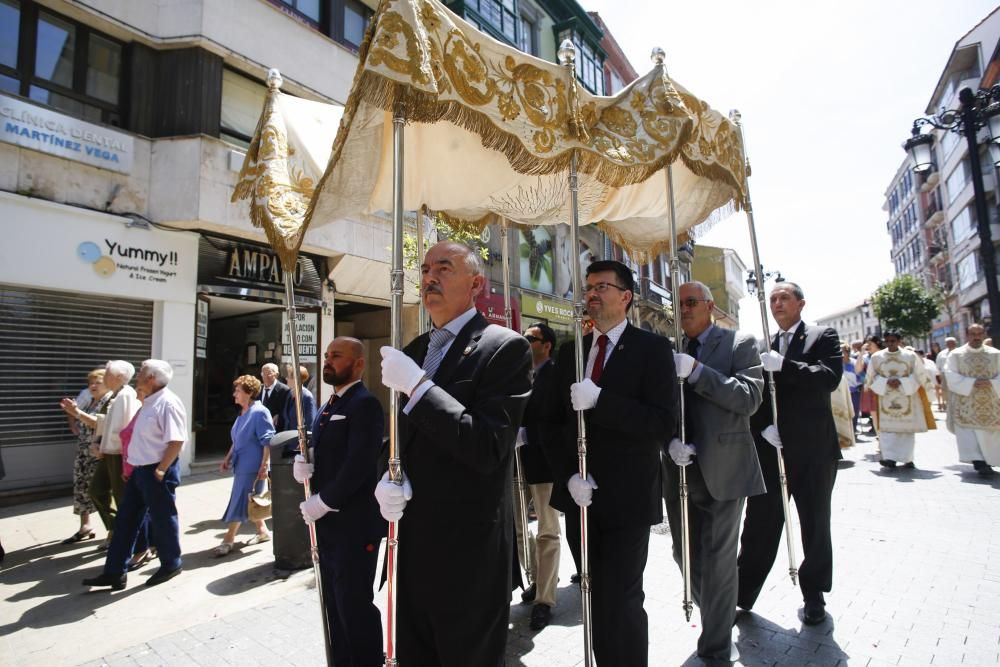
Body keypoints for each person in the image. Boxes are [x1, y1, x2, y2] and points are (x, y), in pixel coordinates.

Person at [374, 241, 531, 666]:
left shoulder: (505, 348)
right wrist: (384, 478)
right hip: (411, 547)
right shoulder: (413, 351)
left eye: (444, 267)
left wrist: (421, 389)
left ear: (476, 283)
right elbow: (393, 438)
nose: (430, 277)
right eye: (425, 269)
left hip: (467, 555)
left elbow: (488, 446)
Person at [544, 259, 676, 666]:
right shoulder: (571, 353)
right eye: (588, 287)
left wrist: (602, 401)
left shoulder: (652, 350)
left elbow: (660, 421)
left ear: (626, 296)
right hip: (579, 498)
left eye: (602, 286)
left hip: (627, 497)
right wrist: (567, 476)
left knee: (622, 596)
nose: (592, 294)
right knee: (593, 592)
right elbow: (550, 422)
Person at [664, 281, 763, 662]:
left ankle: (717, 645)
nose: (684, 309)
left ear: (710, 306)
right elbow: (660, 406)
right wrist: (668, 442)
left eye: (691, 302)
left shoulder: (738, 344)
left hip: (725, 469)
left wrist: (699, 372)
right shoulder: (670, 349)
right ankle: (719, 614)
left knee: (719, 558)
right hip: (680, 470)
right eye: (679, 304)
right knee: (683, 554)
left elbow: (749, 398)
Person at [737, 282, 843, 626]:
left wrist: (786, 366)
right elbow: (756, 395)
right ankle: (741, 593)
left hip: (813, 449)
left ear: (801, 303)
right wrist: (762, 426)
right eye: (772, 299)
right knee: (760, 523)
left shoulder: (821, 336)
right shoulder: (763, 345)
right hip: (773, 448)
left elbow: (828, 377)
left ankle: (814, 595)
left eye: (784, 298)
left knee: (814, 522)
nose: (777, 303)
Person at [292, 337, 386, 666]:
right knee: (334, 603)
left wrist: (324, 500)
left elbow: (359, 464)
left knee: (354, 605)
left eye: (337, 356)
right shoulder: (327, 406)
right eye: (327, 355)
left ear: (358, 363)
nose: (329, 361)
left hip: (354, 524)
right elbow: (329, 452)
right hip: (330, 526)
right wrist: (305, 462)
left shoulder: (365, 404)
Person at [82, 360, 188, 590]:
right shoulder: (148, 402)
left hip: (157, 471)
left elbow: (177, 440)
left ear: (151, 378)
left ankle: (171, 563)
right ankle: (114, 572)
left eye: (141, 373)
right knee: (125, 521)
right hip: (139, 471)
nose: (137, 376)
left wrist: (161, 468)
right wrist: (130, 467)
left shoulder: (168, 403)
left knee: (162, 519)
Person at [515, 322, 561, 631]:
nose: (525, 342)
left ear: (546, 345)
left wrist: (528, 432)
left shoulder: (555, 375)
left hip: (545, 462)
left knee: (547, 531)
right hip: (516, 461)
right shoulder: (517, 375)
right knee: (520, 529)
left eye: (530, 338)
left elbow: (558, 419)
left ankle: (545, 599)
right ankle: (535, 578)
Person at [215, 375, 273, 556]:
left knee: (241, 499)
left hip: (253, 466)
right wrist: (227, 457)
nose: (234, 394)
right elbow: (237, 439)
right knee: (251, 500)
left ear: (249, 393)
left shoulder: (259, 412)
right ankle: (262, 531)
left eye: (238, 391)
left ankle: (229, 538)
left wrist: (264, 465)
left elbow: (267, 441)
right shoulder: (242, 413)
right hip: (241, 464)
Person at [89, 360, 143, 557]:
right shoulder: (115, 395)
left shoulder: (126, 396)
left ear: (119, 377)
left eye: (108, 375)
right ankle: (116, 528)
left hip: (119, 455)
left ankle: (130, 538)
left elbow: (126, 430)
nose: (104, 379)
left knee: (123, 498)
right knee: (96, 490)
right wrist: (100, 442)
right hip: (108, 453)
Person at [865, 332, 934, 469]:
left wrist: (902, 381)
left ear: (899, 341)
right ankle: (889, 458)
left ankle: (907, 459)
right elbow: (870, 377)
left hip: (907, 397)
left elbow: (919, 375)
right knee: (888, 430)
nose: (890, 344)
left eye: (893, 341)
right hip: (886, 398)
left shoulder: (910, 356)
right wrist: (886, 381)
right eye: (888, 341)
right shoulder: (877, 357)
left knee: (906, 430)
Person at [58, 368, 111, 543]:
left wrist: (76, 413)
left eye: (98, 382)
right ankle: (85, 525)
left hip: (99, 455)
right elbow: (77, 415)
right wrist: (72, 417)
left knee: (101, 493)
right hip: (83, 453)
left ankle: (113, 532)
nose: (93, 385)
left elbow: (99, 423)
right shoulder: (90, 401)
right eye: (91, 382)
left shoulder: (110, 401)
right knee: (81, 489)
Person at [944, 323, 1000, 476]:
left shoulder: (996, 354)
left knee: (989, 434)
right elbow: (950, 374)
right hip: (966, 403)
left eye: (979, 334)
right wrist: (971, 382)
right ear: (967, 335)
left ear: (983, 335)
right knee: (970, 434)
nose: (976, 337)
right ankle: (978, 462)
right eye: (973, 334)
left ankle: (988, 461)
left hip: (991, 402)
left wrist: (992, 382)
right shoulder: (956, 354)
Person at [281, 364, 317, 456]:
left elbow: (310, 422)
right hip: (288, 443)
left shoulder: (306, 396)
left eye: (289, 376)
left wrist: (305, 442)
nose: (286, 378)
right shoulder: (290, 394)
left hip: (299, 445)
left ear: (296, 379)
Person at [260, 362, 291, 430]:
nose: (265, 376)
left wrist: (279, 416)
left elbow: (286, 412)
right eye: (263, 374)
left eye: (269, 374)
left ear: (276, 375)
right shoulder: (258, 389)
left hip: (276, 431)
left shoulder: (284, 390)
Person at [936, 337, 959, 411]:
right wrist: (939, 375)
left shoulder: (959, 352)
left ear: (955, 343)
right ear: (946, 344)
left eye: (952, 343)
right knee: (945, 390)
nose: (950, 344)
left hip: (957, 374)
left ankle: (957, 404)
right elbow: (938, 365)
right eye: (948, 343)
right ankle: (947, 404)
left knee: (956, 390)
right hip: (945, 374)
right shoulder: (941, 354)